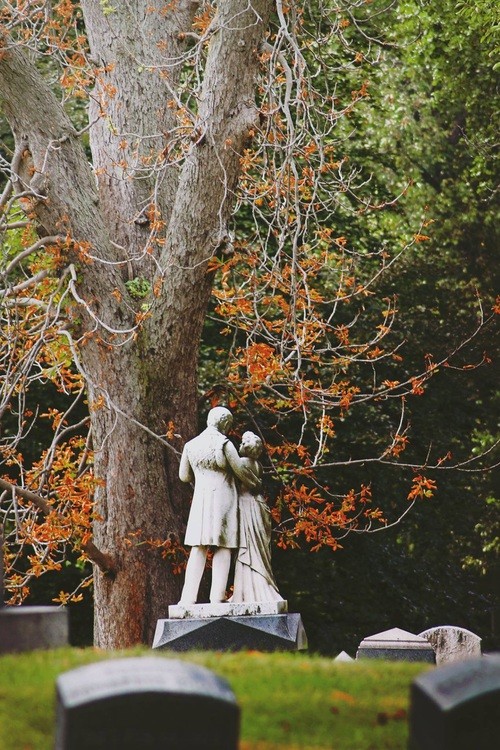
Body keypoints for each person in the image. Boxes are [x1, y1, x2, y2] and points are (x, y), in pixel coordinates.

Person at [178, 407, 259, 605]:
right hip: (223, 499)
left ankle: (187, 599)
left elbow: (184, 476)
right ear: (225, 424)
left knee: (198, 547)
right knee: (223, 546)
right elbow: (240, 471)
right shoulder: (224, 444)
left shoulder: (191, 445)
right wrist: (256, 482)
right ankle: (217, 597)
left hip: (200, 500)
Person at [231, 431, 284, 603]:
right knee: (257, 550)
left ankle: (247, 594)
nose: (240, 445)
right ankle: (254, 590)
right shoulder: (258, 465)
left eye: (242, 442)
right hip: (258, 505)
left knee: (247, 548)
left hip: (247, 506)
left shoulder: (242, 463)